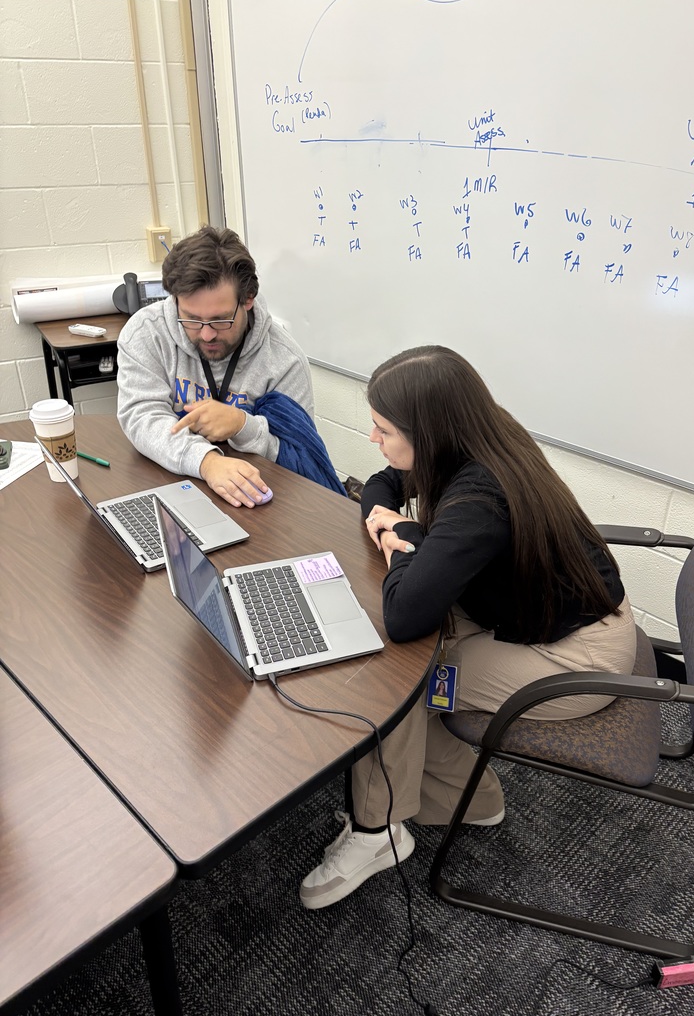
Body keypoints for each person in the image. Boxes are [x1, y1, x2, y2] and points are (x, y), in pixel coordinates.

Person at [300, 345, 636, 910]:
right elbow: (379, 486)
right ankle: (471, 797)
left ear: (427, 432)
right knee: (405, 655)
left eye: (384, 429)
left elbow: (406, 615)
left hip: (577, 657)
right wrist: (396, 529)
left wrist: (401, 539)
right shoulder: (475, 438)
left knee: (398, 677)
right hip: (528, 613)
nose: (374, 439)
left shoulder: (480, 497)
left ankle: (378, 831)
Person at [117, 226, 314, 507]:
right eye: (192, 319)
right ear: (174, 300)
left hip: (255, 502)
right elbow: (141, 416)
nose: (206, 334)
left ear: (248, 300)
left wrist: (242, 426)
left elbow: (299, 457)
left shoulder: (285, 361)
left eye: (221, 320)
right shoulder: (146, 333)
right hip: (170, 487)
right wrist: (207, 462)